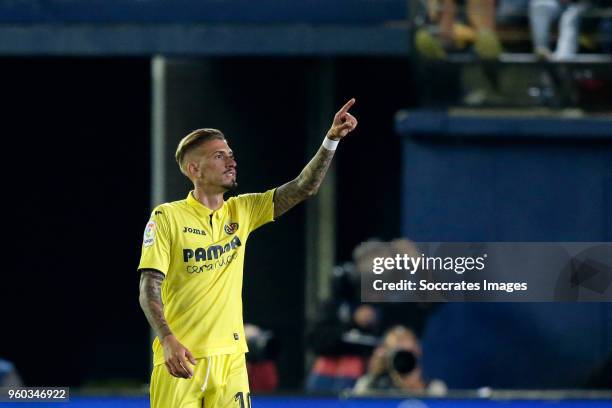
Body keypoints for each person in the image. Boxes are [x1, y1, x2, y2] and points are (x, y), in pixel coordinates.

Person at [137, 99, 358, 408]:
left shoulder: (243, 210)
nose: (231, 162)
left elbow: (303, 187)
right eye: (219, 156)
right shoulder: (167, 217)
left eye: (230, 154)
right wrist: (167, 339)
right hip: (182, 359)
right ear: (194, 169)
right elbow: (149, 287)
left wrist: (331, 139)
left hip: (232, 358)